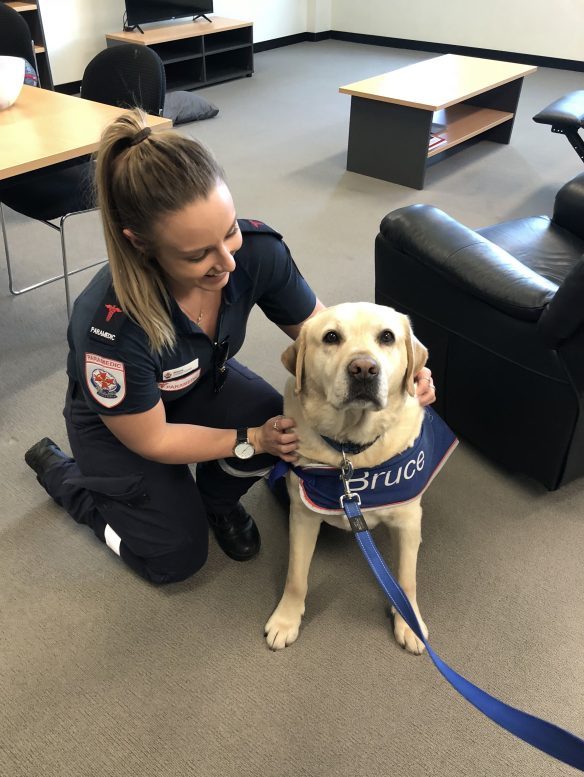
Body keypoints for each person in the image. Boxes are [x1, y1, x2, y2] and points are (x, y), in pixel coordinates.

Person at [24, 109, 436, 586]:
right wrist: (251, 438)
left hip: (198, 377)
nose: (226, 262)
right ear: (139, 244)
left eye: (229, 232)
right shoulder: (111, 329)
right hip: (122, 423)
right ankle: (72, 481)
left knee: (282, 426)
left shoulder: (256, 252)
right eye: (198, 254)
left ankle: (215, 503)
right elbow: (153, 439)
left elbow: (320, 332)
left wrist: (403, 368)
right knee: (173, 559)